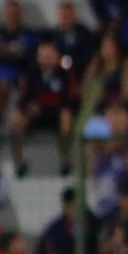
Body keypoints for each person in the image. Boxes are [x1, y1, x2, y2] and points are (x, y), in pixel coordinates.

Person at [10, 40, 80, 177]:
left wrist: (48, 106)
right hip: (36, 115)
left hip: (57, 113)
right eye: (43, 57)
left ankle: (66, 161)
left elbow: (70, 100)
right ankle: (20, 163)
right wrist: (29, 106)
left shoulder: (66, 73)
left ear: (57, 56)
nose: (46, 61)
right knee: (18, 121)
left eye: (49, 57)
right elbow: (24, 99)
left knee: (66, 117)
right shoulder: (31, 72)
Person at [0, 0, 37, 115]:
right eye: (9, 12)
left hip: (21, 70)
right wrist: (13, 49)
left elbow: (23, 52)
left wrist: (2, 48)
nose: (12, 15)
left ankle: (19, 116)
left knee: (24, 84)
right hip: (0, 68)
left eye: (15, 12)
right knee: (2, 84)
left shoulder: (27, 32)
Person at [36, 186, 98, 254]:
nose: (73, 208)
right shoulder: (56, 227)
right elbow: (48, 253)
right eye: (69, 204)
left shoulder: (92, 222)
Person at [48, 1, 99, 84]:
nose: (64, 19)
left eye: (66, 15)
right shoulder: (55, 34)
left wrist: (65, 62)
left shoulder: (85, 35)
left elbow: (86, 58)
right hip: (59, 74)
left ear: (74, 16)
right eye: (61, 16)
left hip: (79, 74)